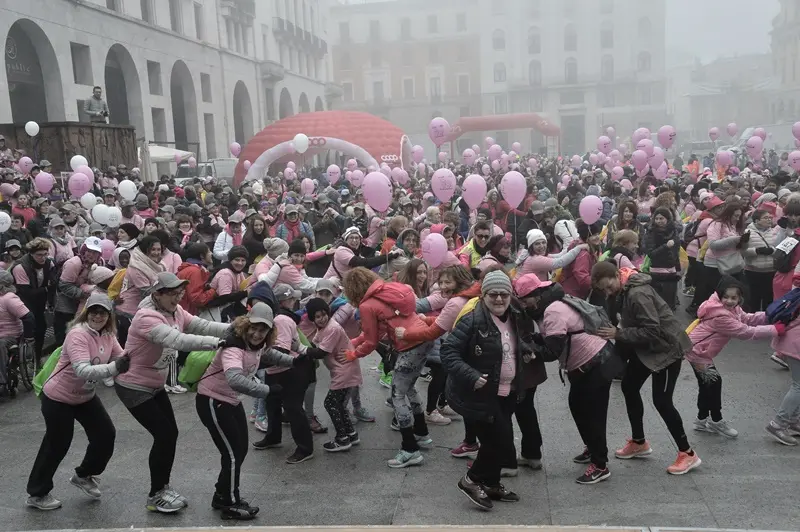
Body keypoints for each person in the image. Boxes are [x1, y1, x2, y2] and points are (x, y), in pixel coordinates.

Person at [115, 272, 228, 513]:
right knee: (164, 435)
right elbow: (179, 340)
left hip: (154, 384)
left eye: (179, 293)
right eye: (172, 294)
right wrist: (218, 343)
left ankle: (163, 487)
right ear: (157, 294)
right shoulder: (147, 317)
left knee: (170, 434)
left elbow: (202, 325)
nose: (178, 298)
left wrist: (235, 329)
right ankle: (155, 495)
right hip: (133, 386)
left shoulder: (174, 311)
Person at [591, 262, 701, 475]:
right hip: (647, 350)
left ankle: (687, 453)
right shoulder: (622, 290)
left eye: (608, 286)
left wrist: (618, 334)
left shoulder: (638, 294)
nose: (607, 291)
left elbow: (652, 331)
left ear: (617, 275)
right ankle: (639, 442)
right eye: (603, 289)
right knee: (629, 386)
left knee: (662, 401)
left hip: (667, 350)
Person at [26, 293, 128, 510]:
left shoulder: (108, 334)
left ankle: (84, 475)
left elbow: (121, 356)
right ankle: (37, 493)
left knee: (105, 434)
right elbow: (82, 369)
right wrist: (115, 368)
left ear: (109, 316)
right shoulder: (77, 335)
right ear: (86, 313)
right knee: (57, 444)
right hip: (58, 397)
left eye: (102, 312)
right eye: (93, 311)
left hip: (84, 397)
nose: (97, 316)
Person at [195, 303, 298, 520]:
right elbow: (235, 379)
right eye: (254, 328)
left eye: (263, 330)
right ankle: (230, 504)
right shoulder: (233, 346)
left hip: (230, 401)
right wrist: (268, 390)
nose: (257, 334)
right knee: (232, 453)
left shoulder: (257, 345)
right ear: (246, 325)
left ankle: (221, 494)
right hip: (212, 400)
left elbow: (270, 355)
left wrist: (296, 361)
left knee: (239, 450)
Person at [521, 274, 618, 484]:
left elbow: (551, 351)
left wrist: (531, 350)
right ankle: (592, 448)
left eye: (523, 299)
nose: (522, 304)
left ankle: (600, 465)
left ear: (535, 295)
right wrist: (534, 339)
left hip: (596, 364)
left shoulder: (552, 311)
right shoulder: (551, 303)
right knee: (578, 406)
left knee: (593, 415)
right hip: (591, 363)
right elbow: (557, 336)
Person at [440, 271, 524, 510]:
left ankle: (492, 483)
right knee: (498, 441)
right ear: (484, 295)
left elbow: (514, 344)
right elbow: (448, 353)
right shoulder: (472, 319)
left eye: (503, 294)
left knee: (500, 441)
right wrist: (472, 376)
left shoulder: (515, 316)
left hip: (507, 390)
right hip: (480, 395)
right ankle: (472, 480)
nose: (499, 299)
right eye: (493, 294)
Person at [342, 267, 433, 468]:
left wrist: (353, 354)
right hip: (423, 337)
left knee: (397, 395)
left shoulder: (366, 305)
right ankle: (421, 433)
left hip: (409, 345)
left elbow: (372, 342)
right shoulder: (388, 290)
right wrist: (354, 341)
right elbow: (375, 332)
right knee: (408, 388)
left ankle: (410, 449)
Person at [687, 276, 781, 439]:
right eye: (726, 297)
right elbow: (746, 332)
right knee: (714, 383)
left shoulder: (730, 309)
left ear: (739, 298)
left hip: (699, 350)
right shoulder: (720, 316)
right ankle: (716, 421)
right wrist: (775, 329)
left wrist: (768, 315)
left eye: (734, 298)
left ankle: (701, 420)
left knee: (707, 385)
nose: (729, 301)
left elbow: (747, 318)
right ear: (719, 295)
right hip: (697, 353)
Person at [252, 283, 316, 463]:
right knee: (272, 402)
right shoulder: (261, 322)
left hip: (293, 370)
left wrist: (253, 362)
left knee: (293, 408)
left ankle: (305, 448)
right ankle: (273, 437)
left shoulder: (282, 320)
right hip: (274, 369)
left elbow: (283, 352)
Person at [302, 297, 363, 452]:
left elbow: (321, 351)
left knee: (330, 403)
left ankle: (342, 439)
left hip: (344, 371)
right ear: (312, 319)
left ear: (328, 313)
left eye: (323, 314)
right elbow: (315, 343)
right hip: (344, 370)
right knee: (340, 404)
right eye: (317, 317)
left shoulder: (332, 328)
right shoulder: (323, 328)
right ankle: (351, 434)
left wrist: (301, 350)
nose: (321, 319)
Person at [53, 237, 104, 347]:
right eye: (89, 251)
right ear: (83, 250)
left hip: (85, 304)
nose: (91, 255)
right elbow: (64, 285)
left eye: (95, 252)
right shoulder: (74, 263)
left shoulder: (100, 263)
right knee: (64, 338)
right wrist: (82, 294)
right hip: (65, 305)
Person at [115, 236, 166, 346]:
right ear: (144, 250)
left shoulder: (159, 265)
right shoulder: (137, 267)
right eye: (153, 249)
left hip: (144, 312)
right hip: (128, 313)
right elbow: (147, 294)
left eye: (159, 249)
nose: (156, 253)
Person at [11, 238, 55, 359]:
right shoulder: (21, 267)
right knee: (29, 326)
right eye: (39, 255)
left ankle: (38, 356)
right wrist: (46, 289)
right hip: (23, 301)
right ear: (31, 254)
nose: (43, 258)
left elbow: (53, 283)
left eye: (45, 254)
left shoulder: (49, 263)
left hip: (40, 300)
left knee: (42, 328)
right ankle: (22, 356)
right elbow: (26, 292)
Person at [0, 270, 34, 396]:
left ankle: (1, 382)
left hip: (9, 335)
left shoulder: (9, 298)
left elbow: (28, 317)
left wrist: (29, 337)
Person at [642, 207, 681, 310]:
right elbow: (651, 253)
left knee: (670, 301)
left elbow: (676, 252)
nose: (659, 221)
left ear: (667, 219)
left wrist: (678, 269)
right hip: (656, 271)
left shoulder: (674, 231)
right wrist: (665, 246)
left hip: (671, 271)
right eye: (657, 218)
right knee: (658, 302)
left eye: (661, 218)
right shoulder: (651, 232)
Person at [742, 209, 779, 312]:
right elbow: (742, 251)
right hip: (753, 271)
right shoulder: (747, 232)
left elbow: (781, 249)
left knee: (769, 298)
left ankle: (767, 320)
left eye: (770, 218)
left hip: (770, 271)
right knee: (754, 299)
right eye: (765, 218)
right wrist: (756, 251)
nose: (769, 220)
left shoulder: (775, 232)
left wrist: (772, 250)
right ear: (756, 220)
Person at [515, 229, 587, 281]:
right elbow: (559, 262)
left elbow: (559, 255)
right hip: (527, 295)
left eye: (543, 242)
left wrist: (573, 245)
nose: (542, 246)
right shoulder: (535, 259)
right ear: (531, 246)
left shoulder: (533, 255)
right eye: (537, 244)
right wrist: (578, 248)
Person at [559, 220, 602, 299]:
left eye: (597, 234)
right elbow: (582, 277)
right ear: (586, 237)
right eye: (593, 235)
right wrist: (599, 284)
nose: (597, 237)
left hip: (570, 290)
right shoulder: (583, 254)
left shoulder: (578, 245)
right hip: (574, 294)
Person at [176, 242, 217, 315]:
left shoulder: (191, 269)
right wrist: (213, 290)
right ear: (202, 256)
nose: (211, 253)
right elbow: (198, 299)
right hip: (188, 314)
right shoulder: (195, 271)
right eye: (209, 251)